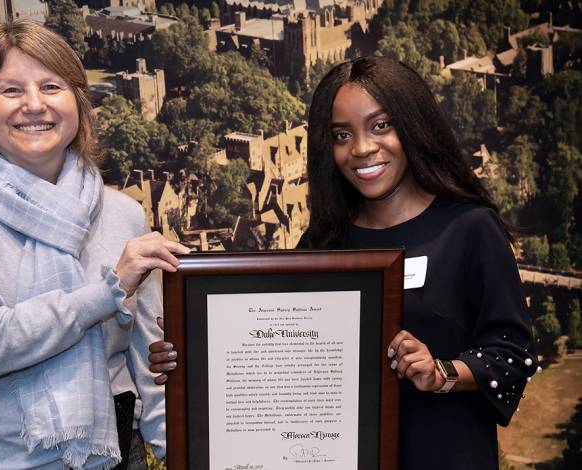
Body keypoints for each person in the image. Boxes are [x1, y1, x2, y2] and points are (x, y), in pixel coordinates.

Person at [149, 56, 537, 470]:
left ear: (413, 125)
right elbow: (281, 357)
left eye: (381, 125)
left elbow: (514, 356)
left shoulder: (469, 228)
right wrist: (194, 354)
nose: (362, 148)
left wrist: (441, 372)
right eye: (341, 134)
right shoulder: (323, 243)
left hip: (443, 454)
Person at [0, 19, 189, 469]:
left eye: (51, 86)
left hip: (111, 460)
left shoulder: (123, 213)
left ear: (78, 103)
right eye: (10, 90)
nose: (33, 104)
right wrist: (106, 293)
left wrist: (180, 454)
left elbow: (148, 364)